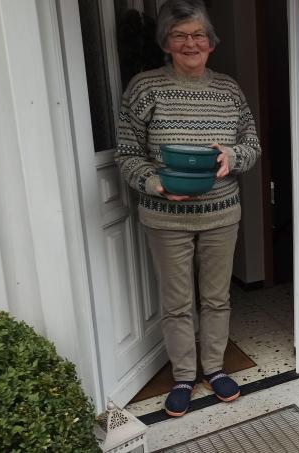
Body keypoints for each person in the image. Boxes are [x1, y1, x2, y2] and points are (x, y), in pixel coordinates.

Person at [115, 0, 261, 417]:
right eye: (180, 35)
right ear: (166, 42)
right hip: (166, 218)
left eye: (198, 34)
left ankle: (214, 369)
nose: (190, 43)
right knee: (177, 302)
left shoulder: (229, 89)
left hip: (221, 213)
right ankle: (183, 375)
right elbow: (126, 153)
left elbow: (252, 144)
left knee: (216, 299)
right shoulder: (144, 88)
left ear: (212, 43)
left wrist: (233, 156)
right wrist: (155, 183)